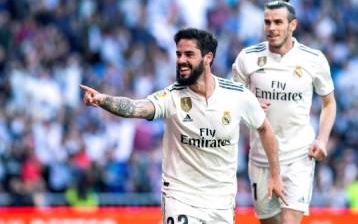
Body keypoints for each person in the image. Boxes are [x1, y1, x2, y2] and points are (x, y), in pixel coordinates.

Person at [81, 28, 286, 224]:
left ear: (208, 58)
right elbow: (137, 107)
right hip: (180, 197)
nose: (181, 60)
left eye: (189, 54)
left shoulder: (237, 95)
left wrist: (275, 175)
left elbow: (265, 129)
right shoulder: (172, 96)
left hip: (221, 203)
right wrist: (103, 100)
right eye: (178, 54)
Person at [232, 0, 337, 224]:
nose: (272, 28)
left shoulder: (313, 59)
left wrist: (322, 139)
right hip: (261, 159)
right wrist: (246, 108)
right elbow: (232, 102)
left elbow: (329, 103)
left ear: (293, 25)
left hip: (299, 156)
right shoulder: (247, 58)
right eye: (267, 22)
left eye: (278, 22)